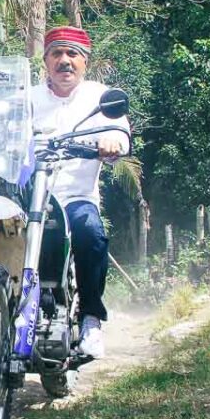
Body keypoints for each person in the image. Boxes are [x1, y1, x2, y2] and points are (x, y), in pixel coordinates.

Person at [31, 26, 131, 359]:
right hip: (28, 198)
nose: (64, 61)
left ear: (85, 62)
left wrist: (113, 141)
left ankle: (91, 318)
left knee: (90, 233)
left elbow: (121, 131)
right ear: (45, 60)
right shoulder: (27, 98)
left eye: (72, 54)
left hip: (74, 198)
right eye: (56, 54)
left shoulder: (99, 97)